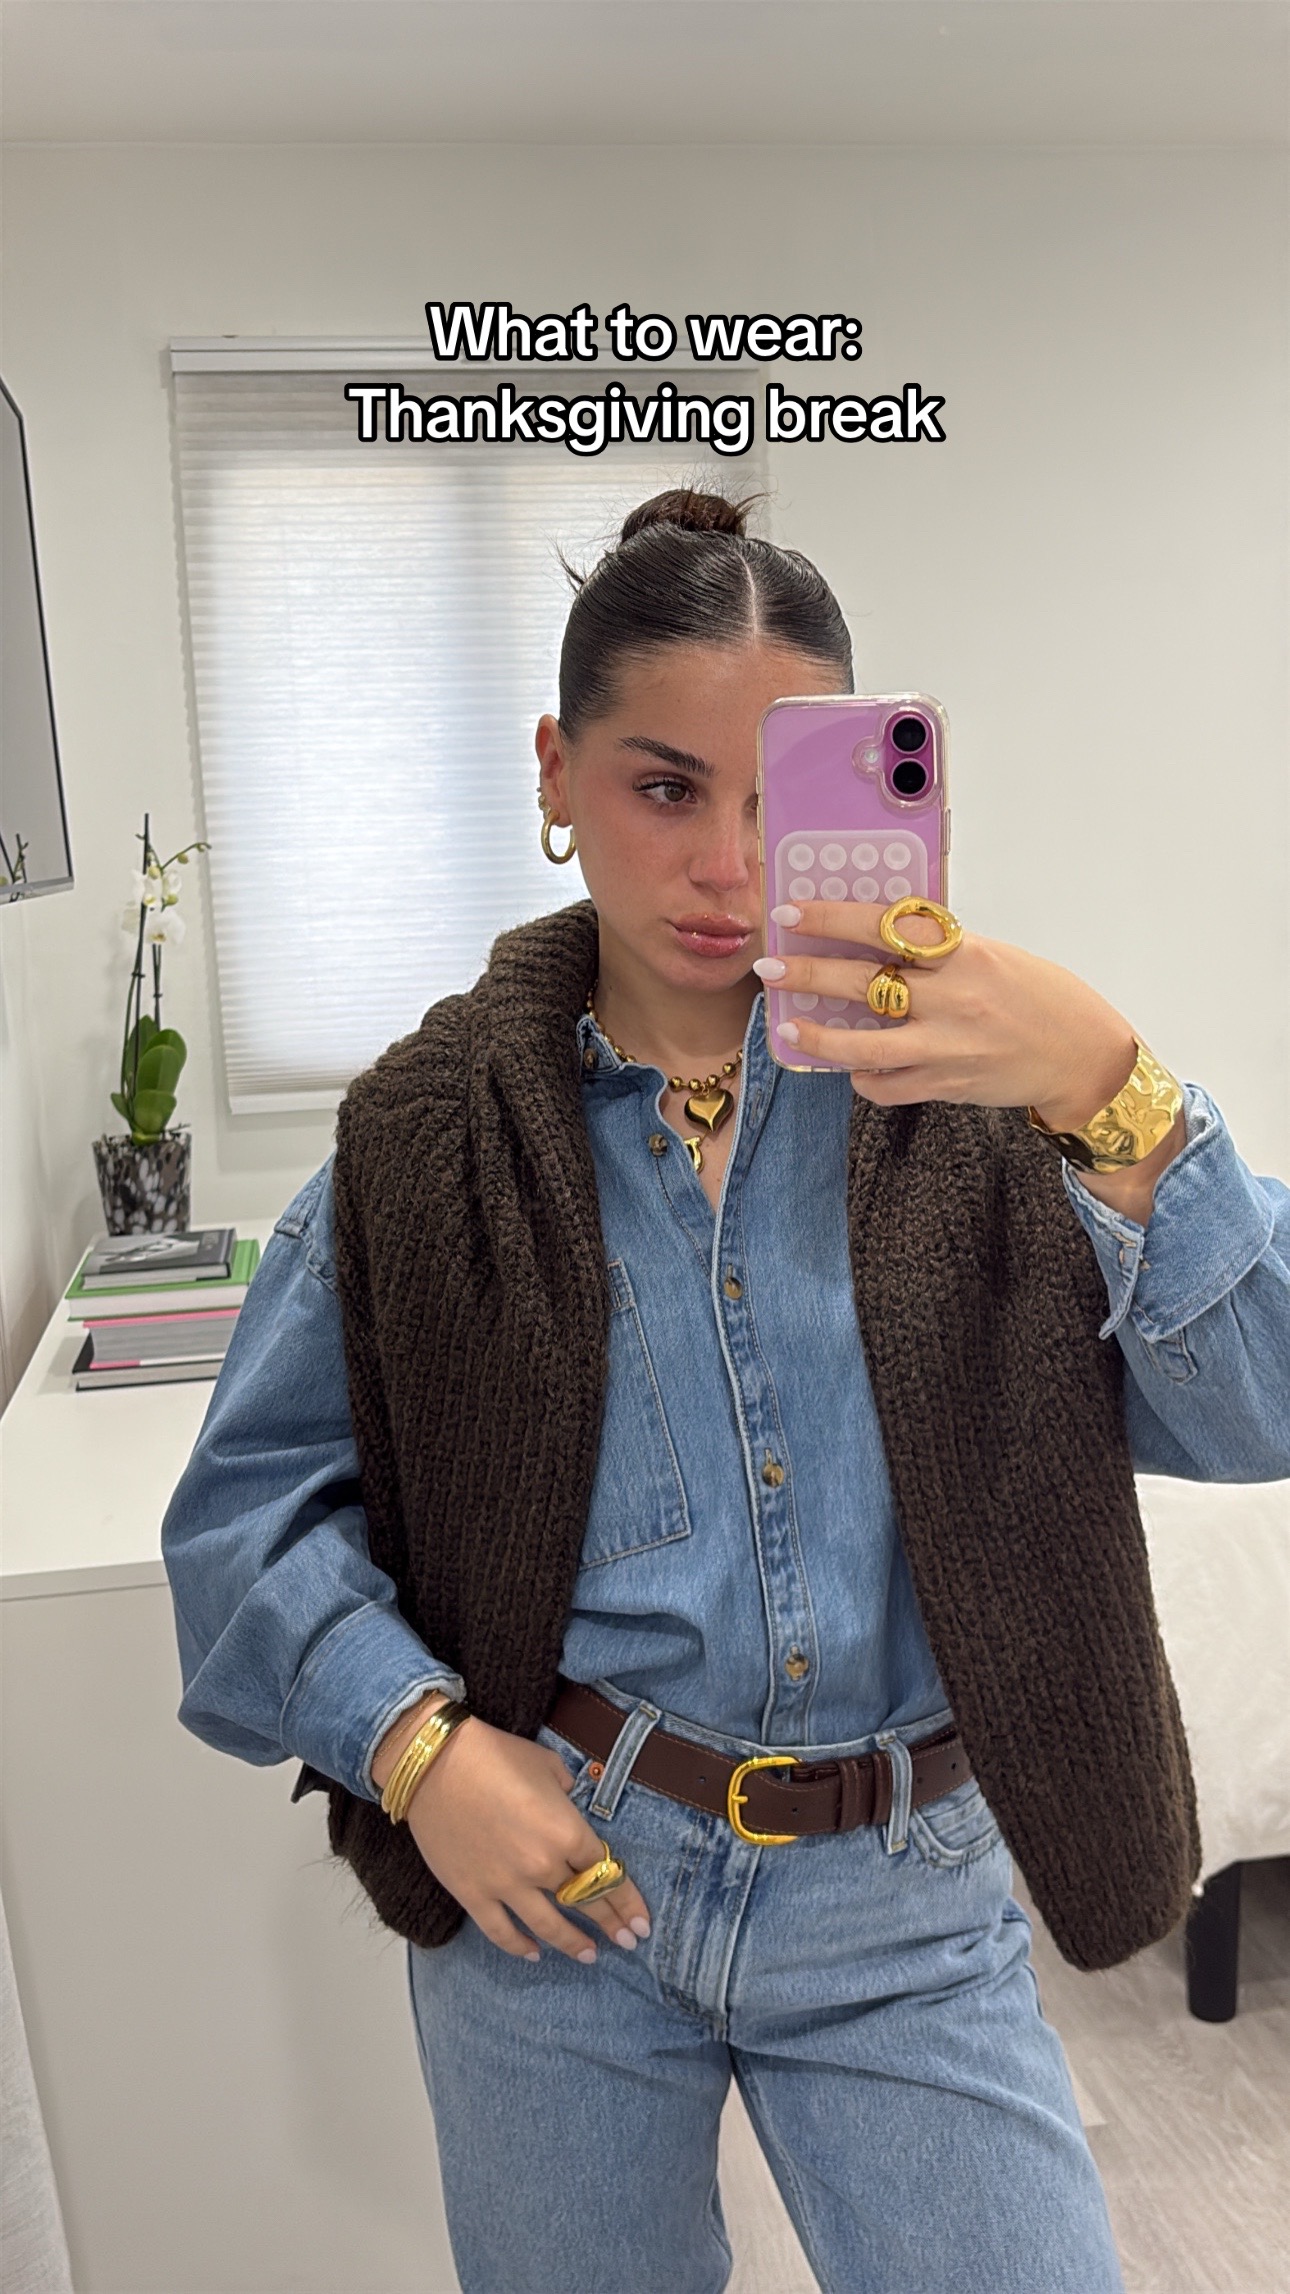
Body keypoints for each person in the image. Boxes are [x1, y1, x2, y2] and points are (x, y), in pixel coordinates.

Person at [162, 489, 1290, 2294]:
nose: (730, 865)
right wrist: (416, 1746)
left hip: (905, 1895)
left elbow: (1254, 1406)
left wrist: (1110, 1081)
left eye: (783, 798)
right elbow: (241, 1520)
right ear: (556, 771)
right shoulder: (421, 1139)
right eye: (666, 786)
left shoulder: (992, 1111)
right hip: (558, 1880)